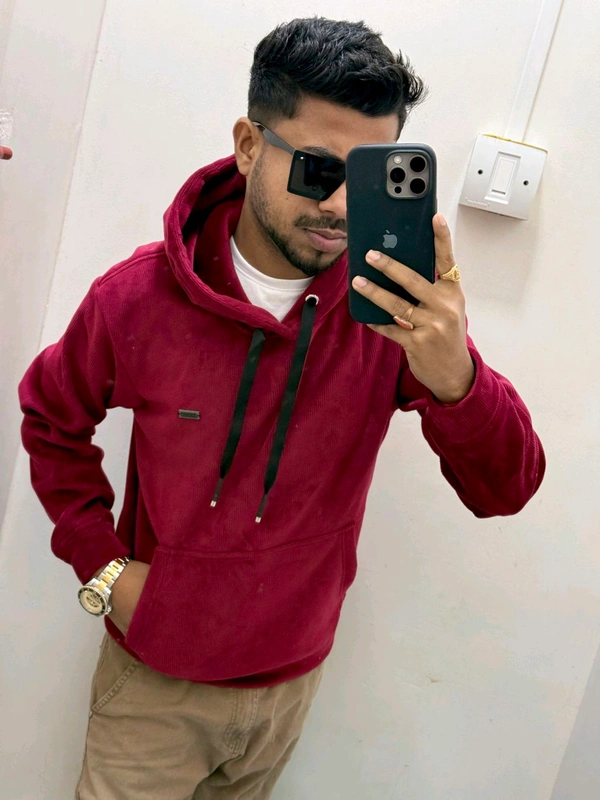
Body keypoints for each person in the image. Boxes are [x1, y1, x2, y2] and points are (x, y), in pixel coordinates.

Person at [18, 16, 545, 800]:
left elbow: (507, 488)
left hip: (292, 685)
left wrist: (456, 378)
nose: (341, 204)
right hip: (153, 690)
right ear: (248, 145)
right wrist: (102, 567)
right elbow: (50, 419)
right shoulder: (137, 300)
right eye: (317, 170)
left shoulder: (391, 313)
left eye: (366, 177)